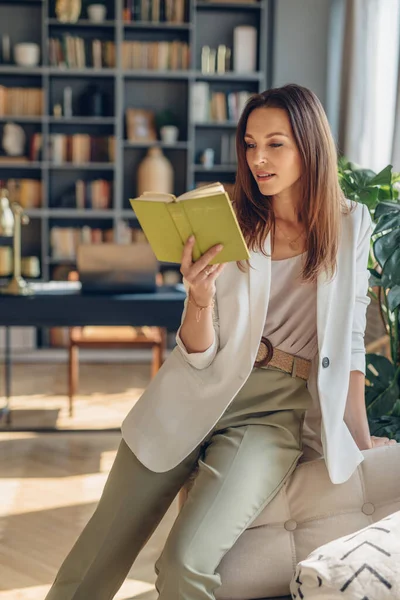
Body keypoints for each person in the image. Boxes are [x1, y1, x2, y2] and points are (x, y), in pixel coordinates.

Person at [45, 84, 396, 600]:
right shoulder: (228, 214)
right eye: (250, 144)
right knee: (94, 560)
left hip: (273, 414)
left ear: (309, 145)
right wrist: (199, 296)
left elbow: (347, 345)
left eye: (275, 144)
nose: (258, 158)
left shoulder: (350, 224)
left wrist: (360, 442)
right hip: (195, 390)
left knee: (187, 564)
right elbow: (198, 351)